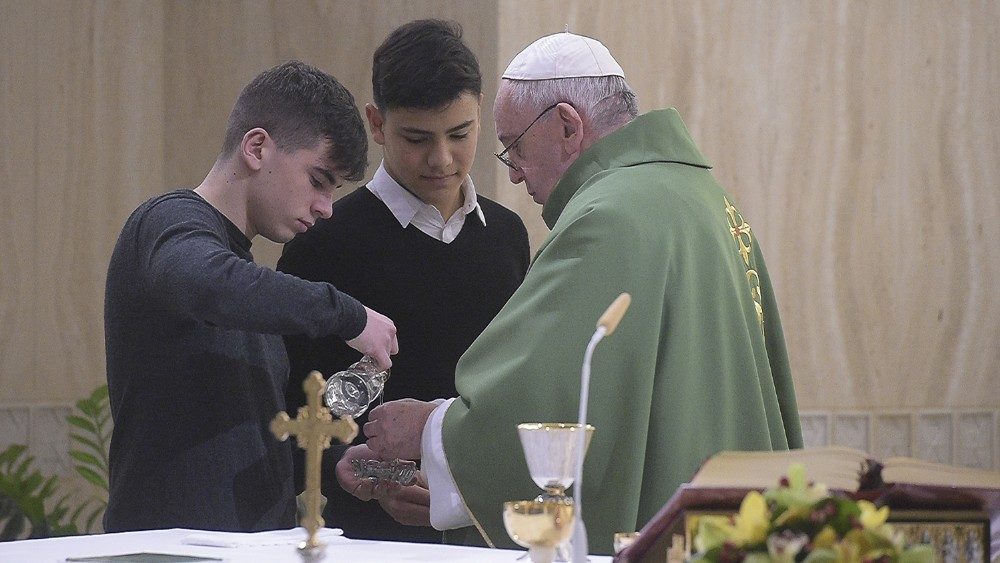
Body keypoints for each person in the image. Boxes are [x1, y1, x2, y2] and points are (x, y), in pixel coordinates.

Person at [338, 32, 803, 555]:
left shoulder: (609, 218)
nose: (515, 174)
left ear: (566, 125)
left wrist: (430, 432)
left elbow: (551, 396)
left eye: (514, 147)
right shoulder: (709, 201)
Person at [103, 60, 399, 533]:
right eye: (318, 181)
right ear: (257, 147)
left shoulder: (247, 283)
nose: (326, 208)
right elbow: (208, 284)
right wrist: (348, 315)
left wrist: (331, 466)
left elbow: (241, 444)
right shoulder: (166, 224)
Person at [277, 20, 530, 543]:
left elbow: (515, 393)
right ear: (377, 123)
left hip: (488, 532)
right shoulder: (322, 243)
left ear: (480, 114)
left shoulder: (507, 237)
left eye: (459, 134)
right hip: (369, 538)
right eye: (417, 138)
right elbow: (289, 415)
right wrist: (368, 472)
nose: (441, 159)